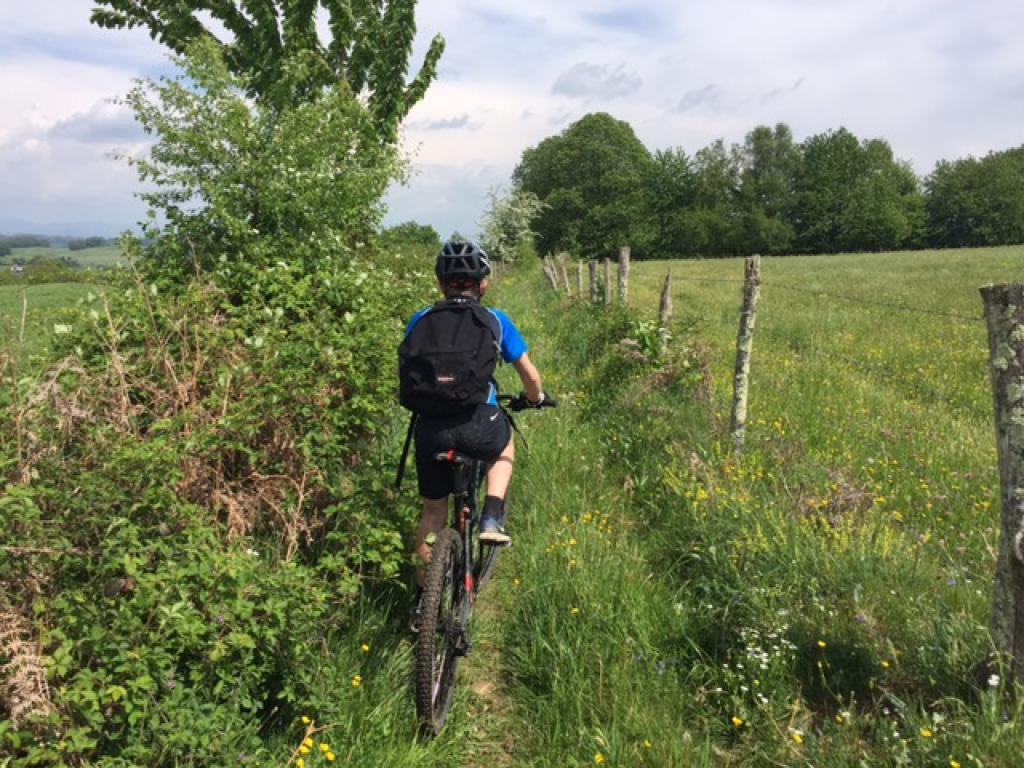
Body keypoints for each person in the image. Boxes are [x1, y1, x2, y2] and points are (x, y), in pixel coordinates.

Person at [399, 240, 547, 582]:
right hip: (479, 421)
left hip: (430, 428)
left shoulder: (420, 319)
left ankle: (422, 603)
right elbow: (530, 375)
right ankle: (492, 516)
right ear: (483, 284)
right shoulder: (495, 319)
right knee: (504, 446)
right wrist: (535, 399)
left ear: (440, 283)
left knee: (433, 514)